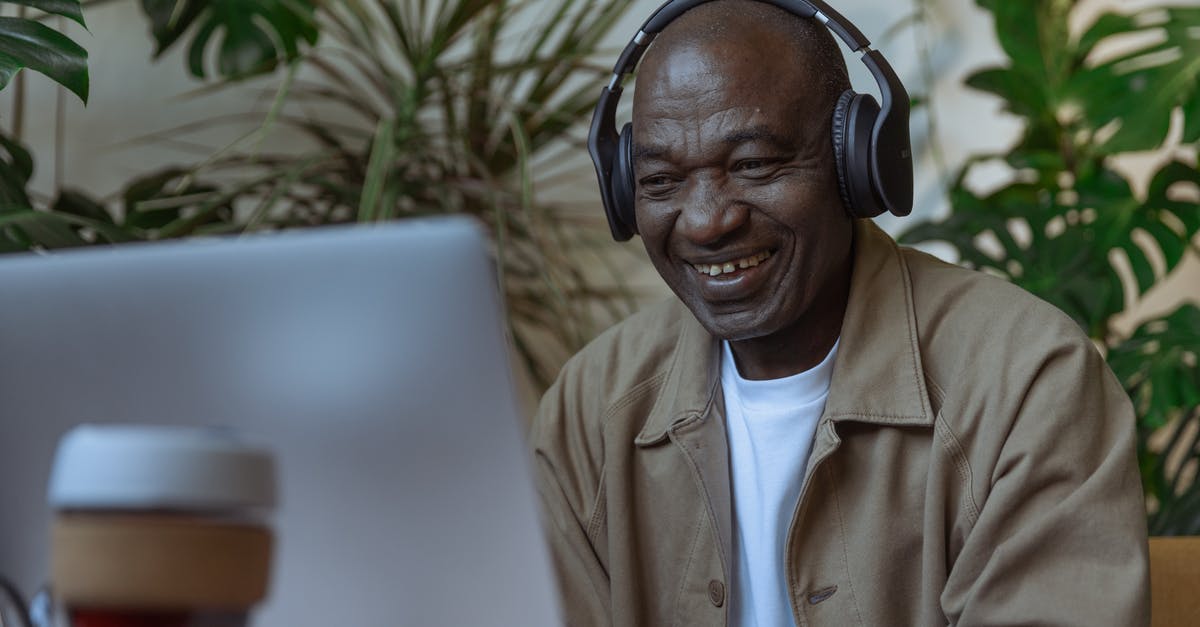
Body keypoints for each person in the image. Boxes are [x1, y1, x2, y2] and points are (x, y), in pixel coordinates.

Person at [530, 1, 1150, 625]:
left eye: (752, 165)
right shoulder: (592, 407)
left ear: (857, 163)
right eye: (661, 181)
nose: (706, 220)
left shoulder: (1027, 381)